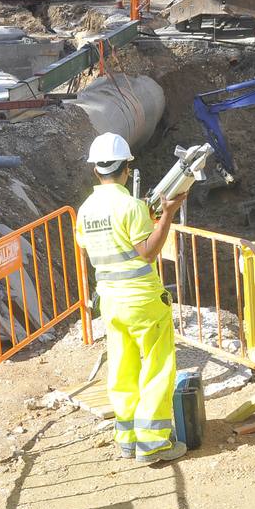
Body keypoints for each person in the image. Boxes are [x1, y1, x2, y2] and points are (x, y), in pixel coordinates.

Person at [75, 133, 188, 464]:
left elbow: (95, 244)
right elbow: (148, 252)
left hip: (109, 301)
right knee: (156, 368)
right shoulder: (131, 206)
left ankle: (127, 439)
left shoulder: (85, 211)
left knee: (122, 369)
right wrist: (166, 215)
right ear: (127, 168)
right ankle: (153, 444)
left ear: (96, 170)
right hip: (142, 300)